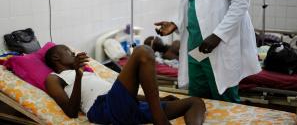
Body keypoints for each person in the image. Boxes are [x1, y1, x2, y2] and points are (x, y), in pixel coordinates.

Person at [155, 0, 261, 102]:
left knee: (225, 100)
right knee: (198, 99)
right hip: (195, 48)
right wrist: (175, 24)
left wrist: (217, 35)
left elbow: (241, 2)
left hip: (218, 45)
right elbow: (191, 4)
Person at [44, 44, 206, 125]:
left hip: (127, 106)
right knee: (143, 51)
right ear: (56, 58)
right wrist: (78, 77)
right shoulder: (54, 78)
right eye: (68, 51)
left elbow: (124, 95)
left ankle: (158, 113)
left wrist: (157, 99)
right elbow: (71, 112)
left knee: (195, 102)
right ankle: (159, 119)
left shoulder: (89, 72)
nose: (73, 53)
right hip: (103, 108)